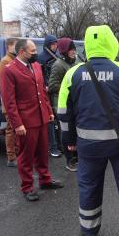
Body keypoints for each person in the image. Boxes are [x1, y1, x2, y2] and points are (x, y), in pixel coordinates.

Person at [58, 25, 119, 236]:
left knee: (88, 186)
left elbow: (63, 114)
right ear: (111, 43)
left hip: (88, 145)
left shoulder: (73, 73)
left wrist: (68, 144)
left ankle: (89, 232)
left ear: (88, 45)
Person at [0, 39, 64, 201]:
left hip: (41, 117)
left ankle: (45, 179)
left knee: (43, 152)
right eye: (33, 51)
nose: (36, 53)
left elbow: (42, 91)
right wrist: (17, 124)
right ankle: (27, 187)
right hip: (25, 121)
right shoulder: (9, 70)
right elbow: (9, 101)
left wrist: (49, 111)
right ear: (22, 52)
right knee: (26, 156)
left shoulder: (36, 66)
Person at [48, 37, 78, 172]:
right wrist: (70, 87)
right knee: (66, 133)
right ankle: (69, 160)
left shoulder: (76, 61)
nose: (73, 52)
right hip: (63, 104)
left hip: (76, 103)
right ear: (64, 51)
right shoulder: (58, 65)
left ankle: (77, 157)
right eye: (71, 50)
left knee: (77, 132)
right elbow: (53, 86)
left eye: (74, 49)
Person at [38, 34, 62, 158]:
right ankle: (52, 147)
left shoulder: (57, 57)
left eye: (55, 44)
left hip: (56, 92)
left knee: (59, 118)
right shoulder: (40, 58)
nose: (55, 46)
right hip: (45, 93)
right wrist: (44, 87)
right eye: (52, 44)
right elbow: (37, 76)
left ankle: (60, 145)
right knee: (50, 120)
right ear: (47, 45)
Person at [0, 38, 18, 167]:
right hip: (9, 102)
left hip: (16, 101)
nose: (16, 48)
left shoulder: (14, 60)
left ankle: (16, 153)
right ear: (9, 47)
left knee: (16, 129)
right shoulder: (5, 61)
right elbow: (3, 85)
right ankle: (11, 157)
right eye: (15, 45)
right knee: (10, 129)